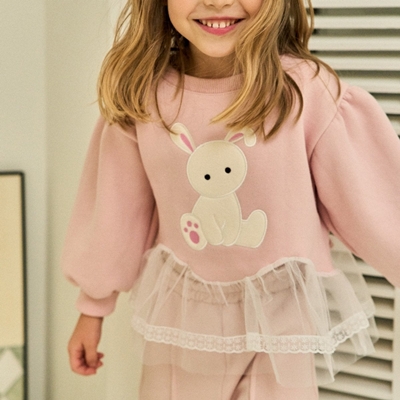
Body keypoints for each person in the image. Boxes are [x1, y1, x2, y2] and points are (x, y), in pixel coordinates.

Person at [63, 0, 400, 398]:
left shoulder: (306, 92)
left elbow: (376, 204)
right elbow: (115, 212)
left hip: (280, 316)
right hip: (183, 315)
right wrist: (93, 307)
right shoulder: (144, 97)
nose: (217, 1)